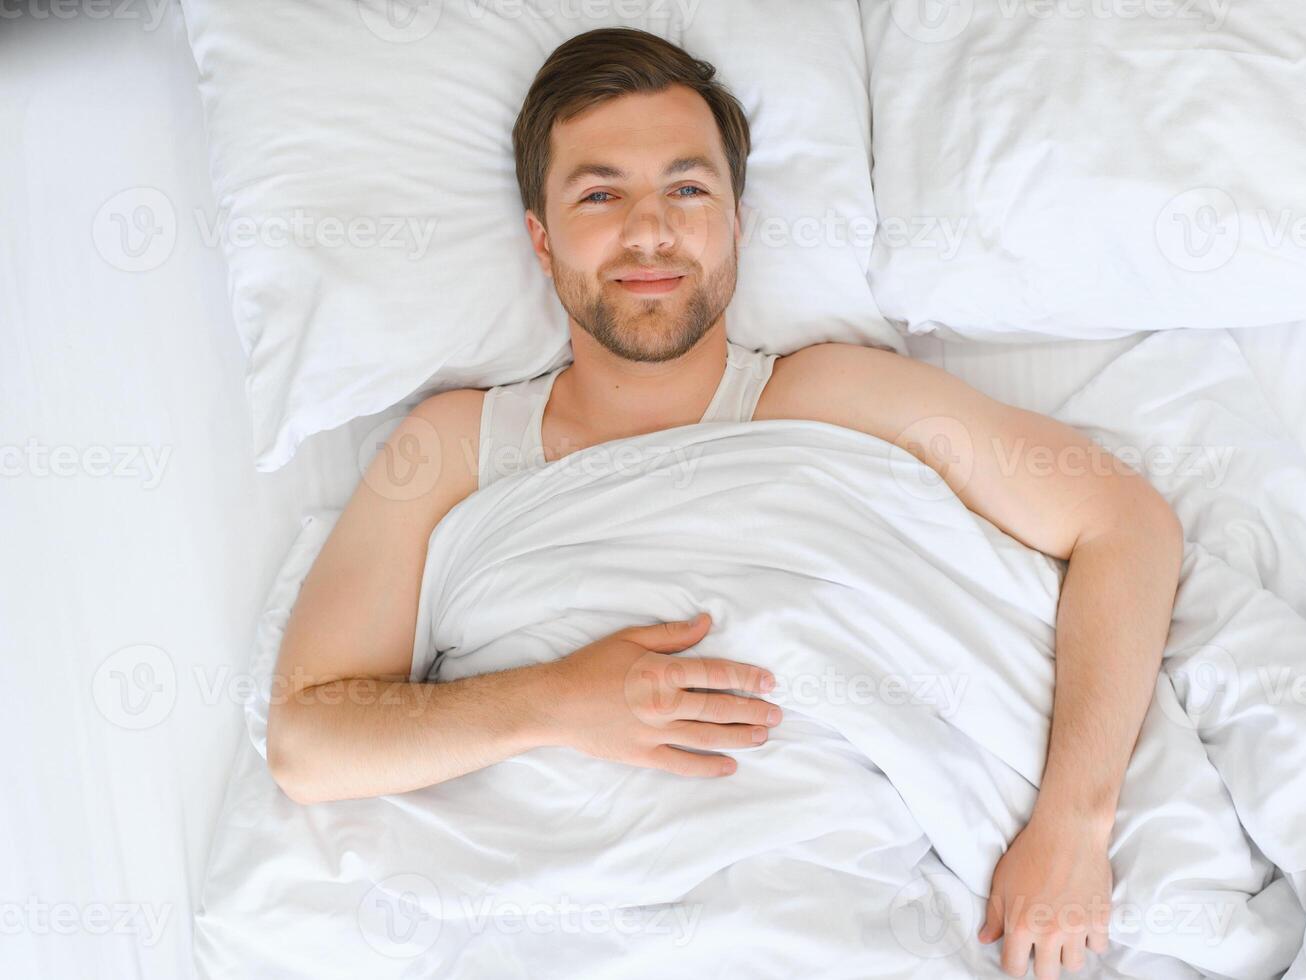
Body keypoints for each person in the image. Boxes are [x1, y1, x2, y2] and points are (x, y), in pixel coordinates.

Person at [266, 27, 1183, 980]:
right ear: (541, 239)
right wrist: (553, 701)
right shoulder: (453, 445)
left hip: (853, 907)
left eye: (687, 189)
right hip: (558, 920)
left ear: (736, 222)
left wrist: (1073, 823)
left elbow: (1125, 526)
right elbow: (309, 741)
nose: (650, 229)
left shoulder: (842, 395)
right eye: (599, 193)